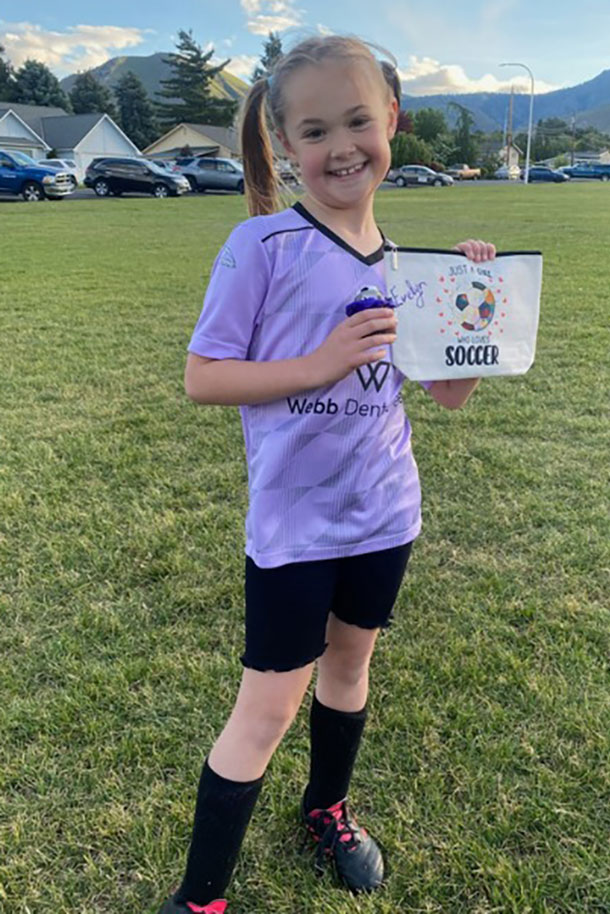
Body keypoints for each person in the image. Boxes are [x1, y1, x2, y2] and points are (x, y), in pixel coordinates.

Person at [157, 34, 496, 914]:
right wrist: (319, 363)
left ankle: (326, 811)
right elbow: (203, 376)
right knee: (266, 710)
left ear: (393, 121)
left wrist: (474, 305)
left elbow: (450, 393)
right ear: (283, 144)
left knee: (349, 673)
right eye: (315, 132)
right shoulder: (261, 246)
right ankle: (199, 899)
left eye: (357, 122)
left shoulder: (410, 267)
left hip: (385, 515)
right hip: (294, 528)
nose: (341, 147)